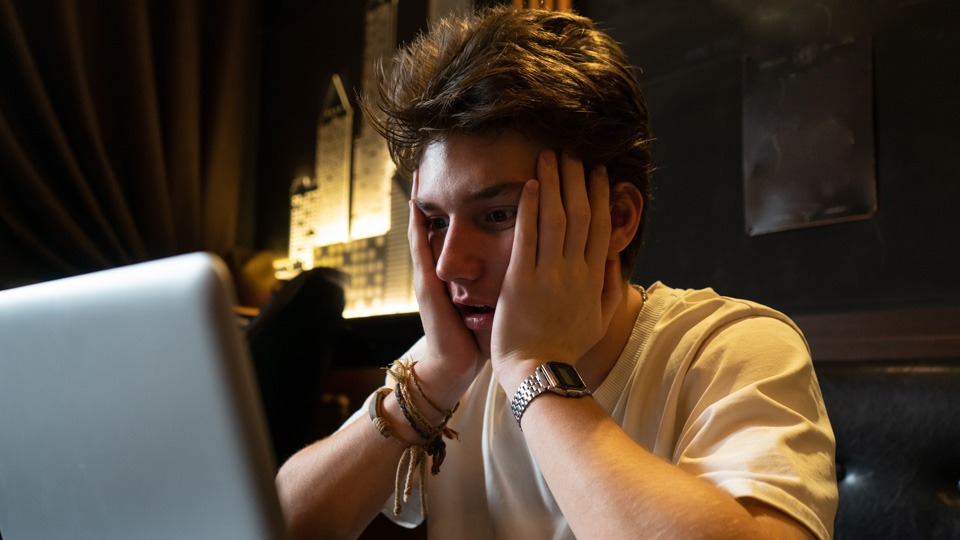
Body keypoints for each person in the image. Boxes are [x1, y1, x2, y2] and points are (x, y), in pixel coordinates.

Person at [275, 6, 838, 540]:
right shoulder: (453, 359)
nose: (450, 263)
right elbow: (279, 524)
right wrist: (433, 379)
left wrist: (534, 367)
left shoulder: (731, 349)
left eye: (497, 215)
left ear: (616, 219)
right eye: (435, 221)